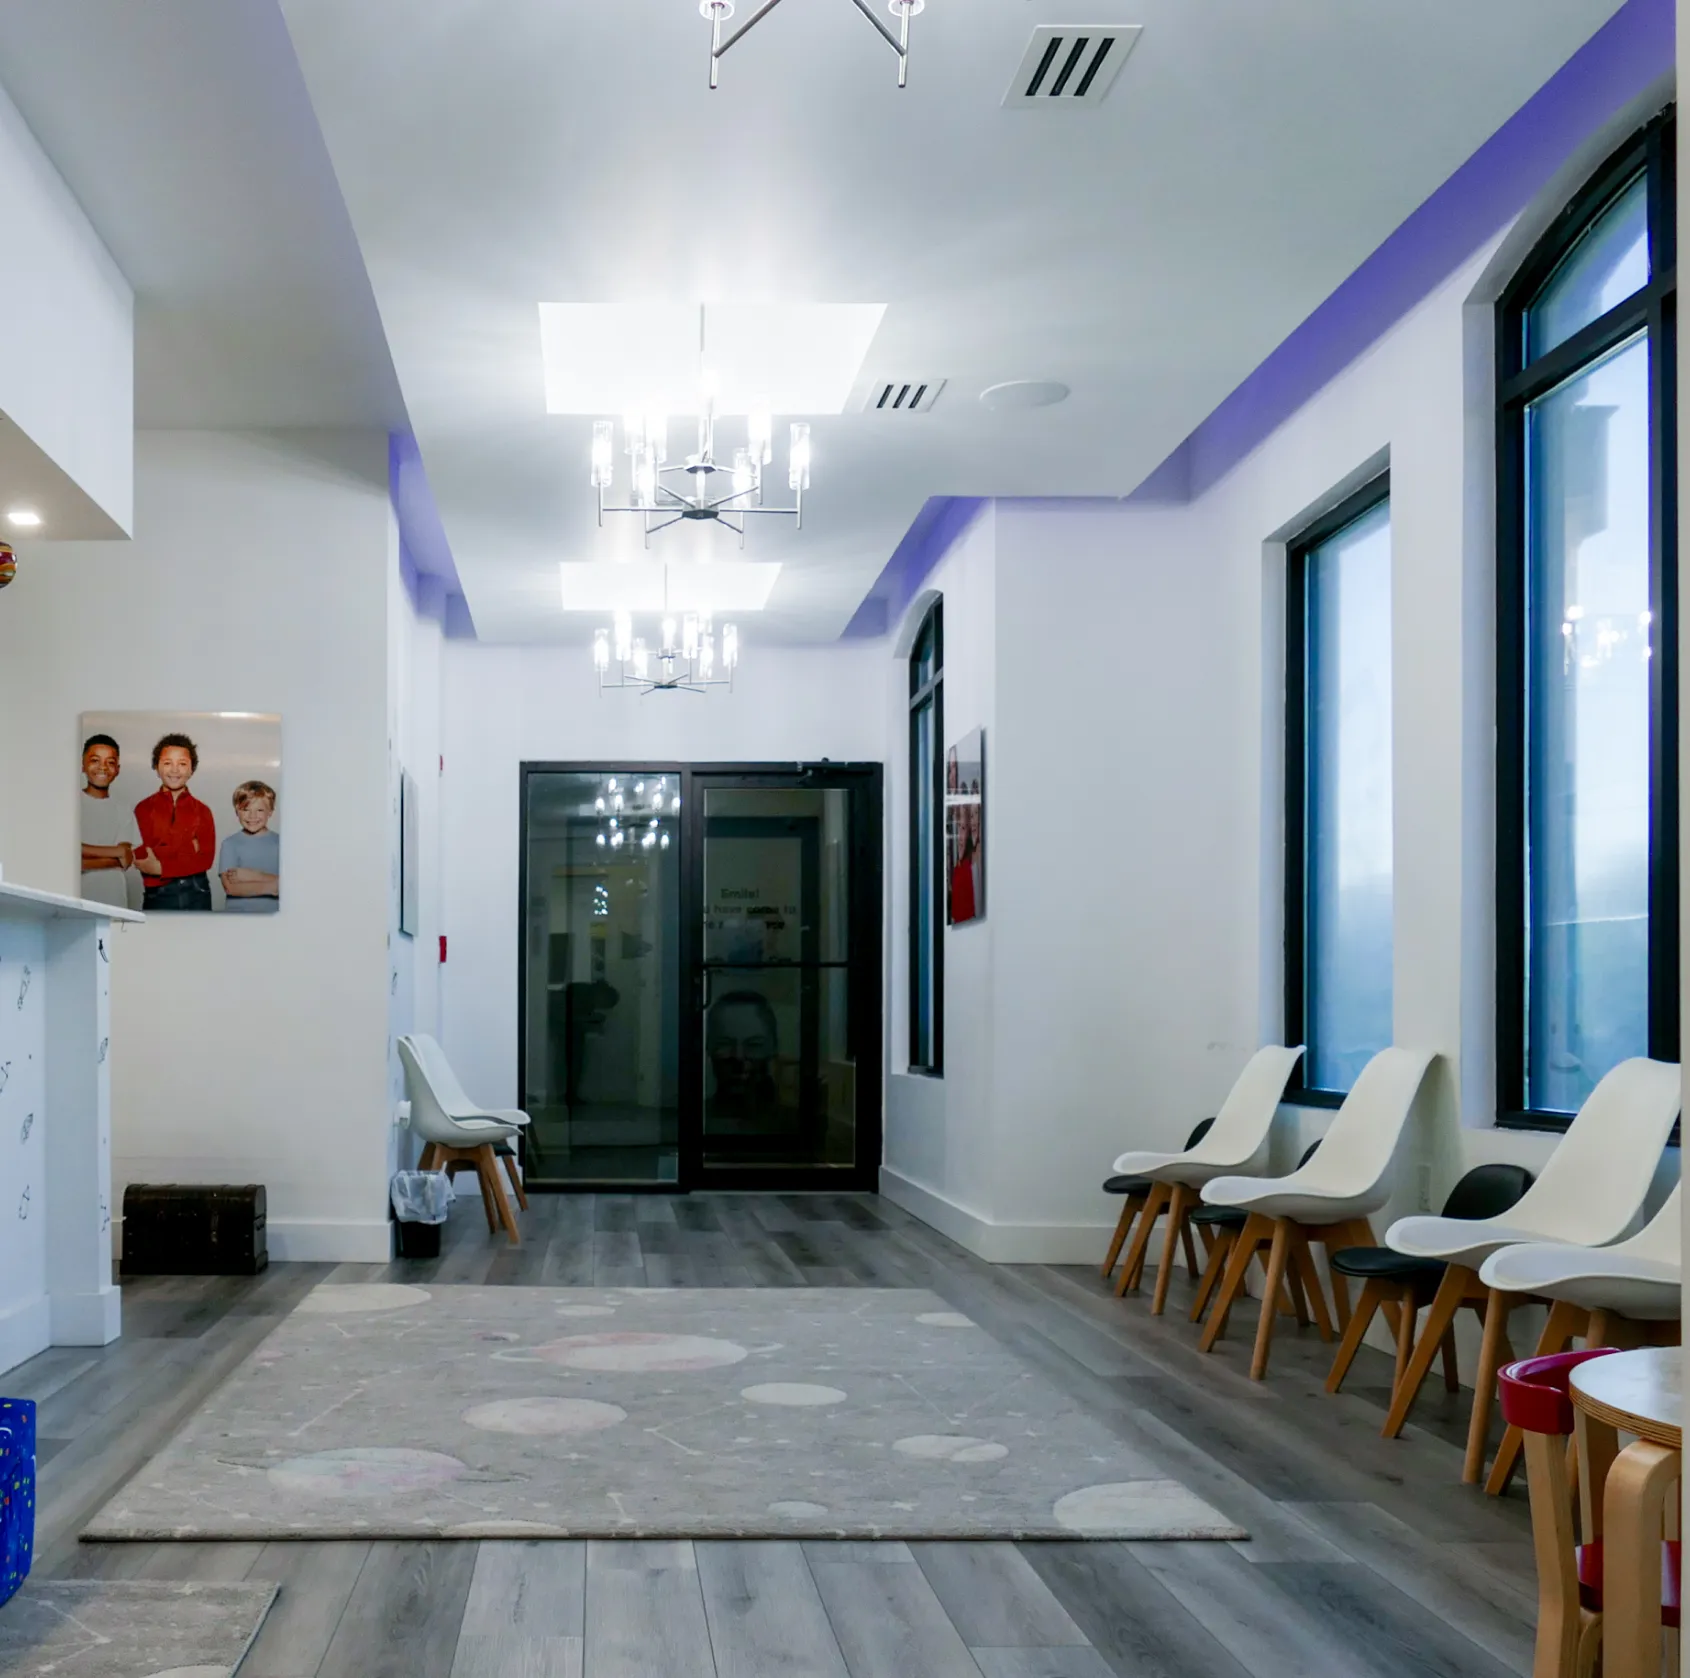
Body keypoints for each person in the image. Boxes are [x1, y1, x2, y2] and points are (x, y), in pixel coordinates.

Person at [133, 733, 217, 912]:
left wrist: (162, 866)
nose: (174, 770)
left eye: (182, 764)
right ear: (156, 767)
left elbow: (206, 860)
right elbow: (142, 858)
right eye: (167, 763)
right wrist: (188, 848)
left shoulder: (203, 811)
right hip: (157, 894)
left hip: (197, 892)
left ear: (191, 769)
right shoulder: (143, 809)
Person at [78, 734, 139, 910]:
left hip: (115, 897)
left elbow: (126, 859)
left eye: (110, 762)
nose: (102, 767)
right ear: (83, 765)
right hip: (80, 896)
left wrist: (82, 853)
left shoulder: (123, 808)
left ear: (118, 769)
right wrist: (116, 852)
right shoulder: (71, 804)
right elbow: (67, 858)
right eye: (95, 760)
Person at [706, 990, 781, 1121]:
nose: (739, 1056)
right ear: (708, 1047)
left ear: (773, 1047)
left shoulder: (799, 1125)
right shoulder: (688, 1122)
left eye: (754, 1045)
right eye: (725, 1044)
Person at [218, 780, 280, 913]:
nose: (252, 816)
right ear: (236, 811)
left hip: (274, 918)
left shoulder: (281, 843)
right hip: (238, 918)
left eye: (259, 810)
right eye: (246, 809)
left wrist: (253, 876)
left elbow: (294, 885)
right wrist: (274, 886)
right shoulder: (230, 844)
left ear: (270, 812)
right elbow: (231, 888)